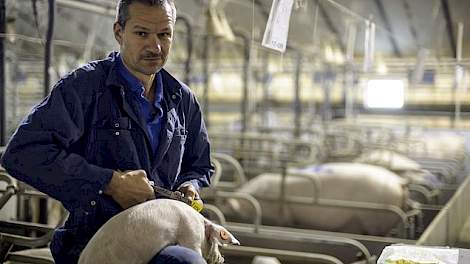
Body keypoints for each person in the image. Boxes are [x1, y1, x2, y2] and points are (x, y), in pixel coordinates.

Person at [0, 0, 213, 263]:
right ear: (119, 32)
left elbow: (200, 164)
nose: (155, 46)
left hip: (162, 232)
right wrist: (109, 183)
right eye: (142, 33)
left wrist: (190, 185)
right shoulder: (84, 88)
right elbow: (23, 153)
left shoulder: (182, 99)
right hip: (95, 237)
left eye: (164, 34)